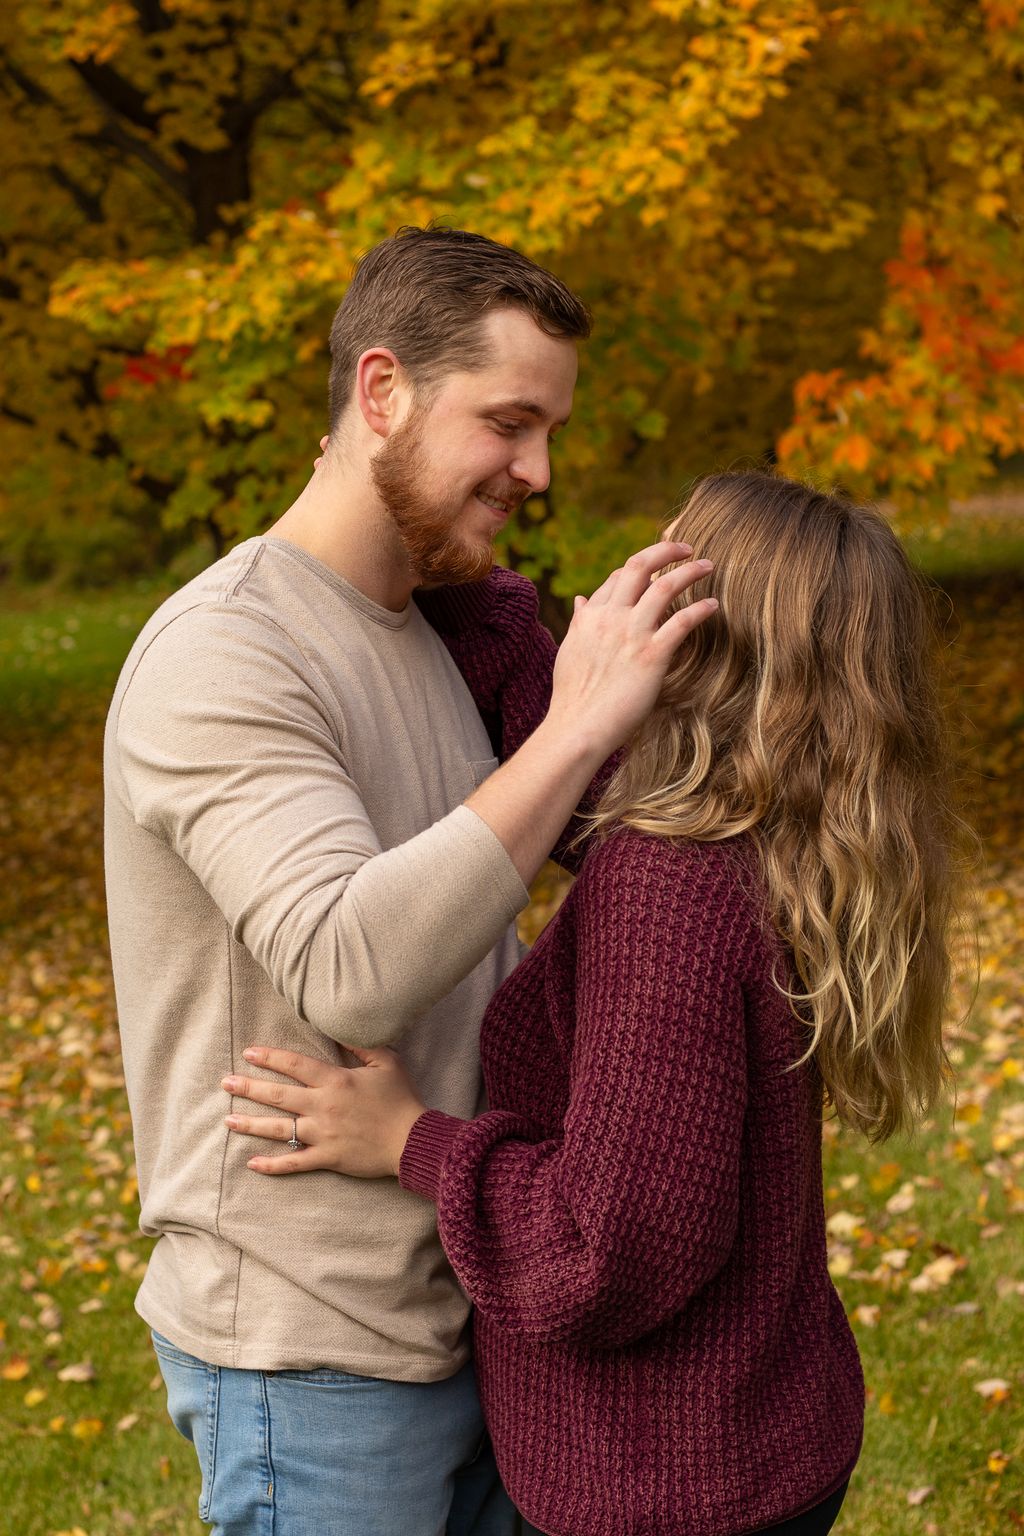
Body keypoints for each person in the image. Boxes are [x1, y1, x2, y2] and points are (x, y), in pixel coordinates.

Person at [104, 224, 719, 1536]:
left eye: (548, 429)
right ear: (381, 392)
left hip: (466, 1314)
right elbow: (351, 961)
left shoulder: (440, 636)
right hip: (310, 1349)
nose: (537, 470)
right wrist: (577, 723)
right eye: (509, 422)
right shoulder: (226, 653)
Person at [224, 470, 961, 1536]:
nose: (620, 593)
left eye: (661, 571)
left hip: (663, 1485)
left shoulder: (668, 885)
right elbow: (585, 775)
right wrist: (461, 575)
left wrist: (410, 1142)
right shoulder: (779, 831)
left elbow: (602, 1257)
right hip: (762, 1436)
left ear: (695, 634)